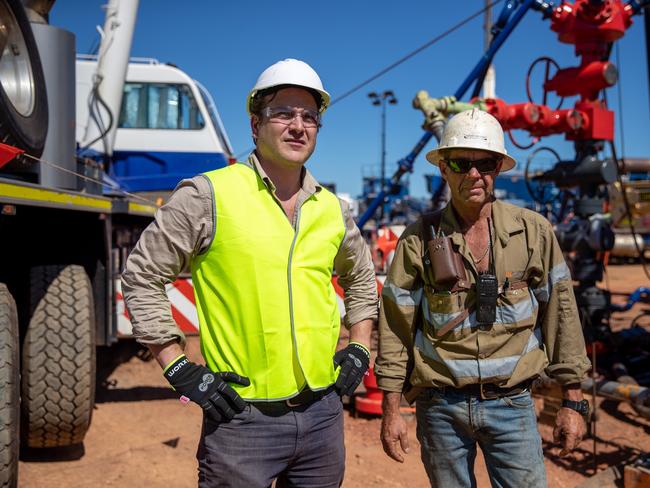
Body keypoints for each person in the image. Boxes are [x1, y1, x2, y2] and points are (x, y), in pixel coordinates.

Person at [122, 58, 378, 487]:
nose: (298, 125)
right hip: (241, 421)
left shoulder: (333, 209)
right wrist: (177, 367)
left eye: (309, 116)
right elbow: (142, 274)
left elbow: (362, 277)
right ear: (256, 126)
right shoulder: (209, 195)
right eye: (283, 113)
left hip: (323, 419)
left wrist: (360, 346)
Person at [375, 108, 591, 487]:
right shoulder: (417, 239)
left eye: (486, 163)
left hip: (512, 404)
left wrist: (573, 401)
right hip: (440, 408)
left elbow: (562, 316)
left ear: (498, 168)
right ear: (443, 167)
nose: (474, 174)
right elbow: (395, 326)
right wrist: (391, 408)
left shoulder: (534, 233)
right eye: (461, 162)